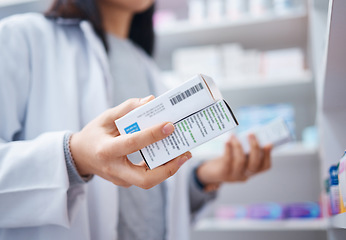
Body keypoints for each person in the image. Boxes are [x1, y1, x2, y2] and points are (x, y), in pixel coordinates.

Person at [0, 0, 272, 239]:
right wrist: (74, 157)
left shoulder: (149, 69)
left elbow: (150, 206)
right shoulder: (21, 38)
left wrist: (202, 179)